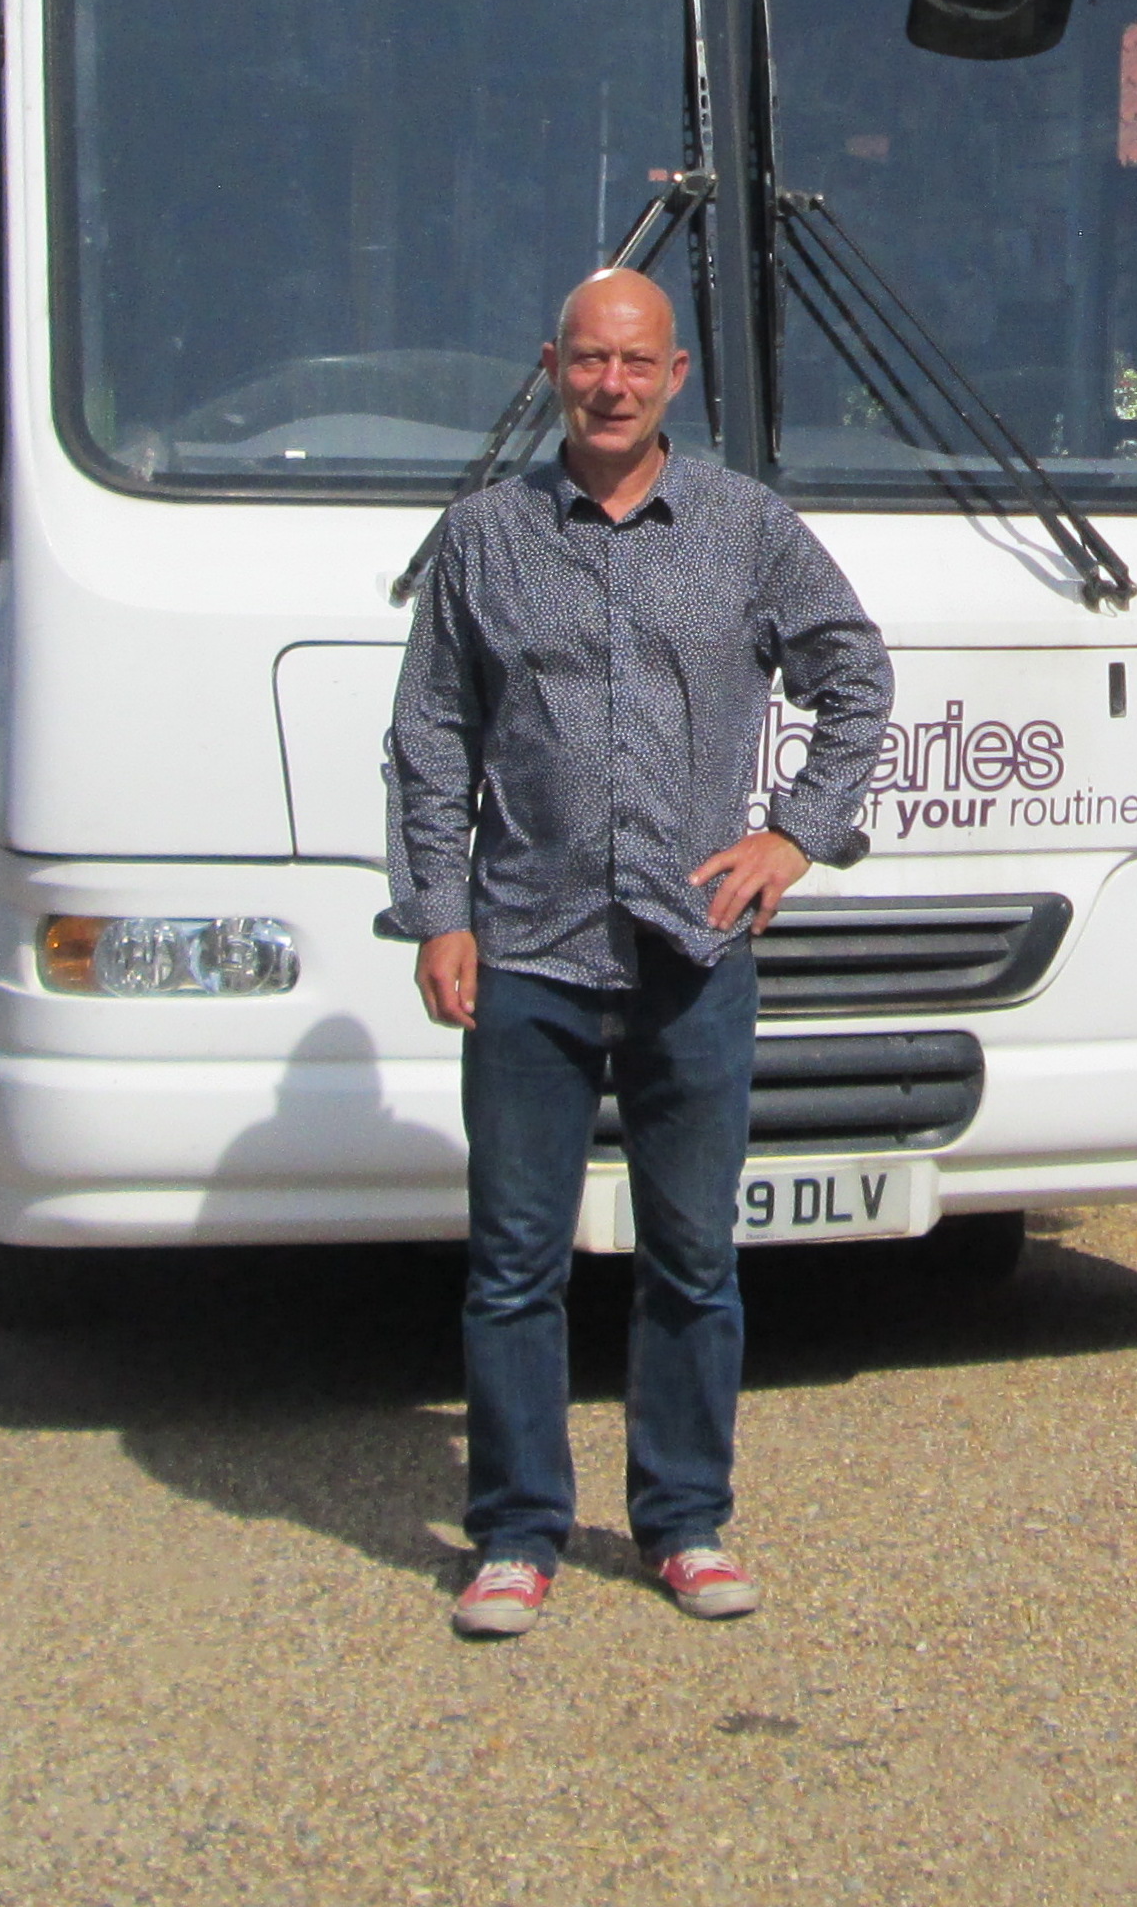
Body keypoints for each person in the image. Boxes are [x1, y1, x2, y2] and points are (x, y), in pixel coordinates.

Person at [382, 266, 892, 1641]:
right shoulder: (483, 540)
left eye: (637, 362)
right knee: (514, 1262)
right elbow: (430, 735)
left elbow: (857, 675)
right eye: (589, 360)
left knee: (691, 1258)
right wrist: (439, 910)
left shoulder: (744, 529)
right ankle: (515, 1533)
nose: (611, 384)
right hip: (529, 952)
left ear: (676, 378)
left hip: (693, 954)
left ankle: (683, 1521)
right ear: (554, 366)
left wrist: (794, 839)